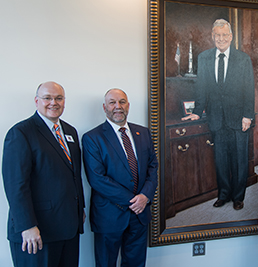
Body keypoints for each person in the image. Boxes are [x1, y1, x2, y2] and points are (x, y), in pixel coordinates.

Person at [2, 81, 85, 267]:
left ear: (64, 102)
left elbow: (74, 175)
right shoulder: (21, 133)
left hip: (68, 228)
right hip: (36, 232)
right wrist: (27, 226)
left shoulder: (70, 131)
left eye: (58, 98)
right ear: (36, 101)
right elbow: (15, 185)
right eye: (47, 98)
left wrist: (80, 209)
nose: (53, 102)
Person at [182, 18, 255, 210]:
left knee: (240, 161)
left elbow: (249, 89)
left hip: (239, 119)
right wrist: (197, 112)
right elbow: (201, 88)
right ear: (212, 37)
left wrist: (248, 115)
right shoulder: (204, 58)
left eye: (224, 35)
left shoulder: (243, 59)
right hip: (216, 119)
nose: (221, 38)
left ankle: (238, 197)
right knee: (221, 160)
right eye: (217, 35)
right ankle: (223, 194)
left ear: (230, 37)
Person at [82, 88, 158, 267]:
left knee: (136, 263)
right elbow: (97, 179)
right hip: (109, 216)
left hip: (139, 216)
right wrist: (135, 201)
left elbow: (153, 168)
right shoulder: (92, 138)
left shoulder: (143, 133)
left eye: (122, 102)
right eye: (112, 102)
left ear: (128, 106)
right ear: (104, 107)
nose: (118, 106)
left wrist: (145, 196)